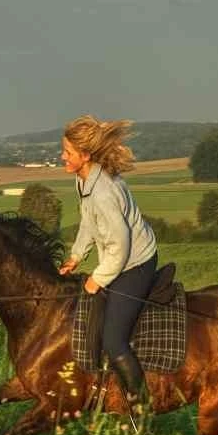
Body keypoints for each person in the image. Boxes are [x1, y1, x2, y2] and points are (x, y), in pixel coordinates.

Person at [58, 114, 158, 415]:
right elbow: (89, 221)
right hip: (119, 258)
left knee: (114, 340)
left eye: (68, 153)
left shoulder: (103, 192)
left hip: (135, 263)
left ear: (85, 156)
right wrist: (77, 255)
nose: (62, 157)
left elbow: (121, 245)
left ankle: (141, 408)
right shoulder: (84, 179)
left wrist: (97, 278)